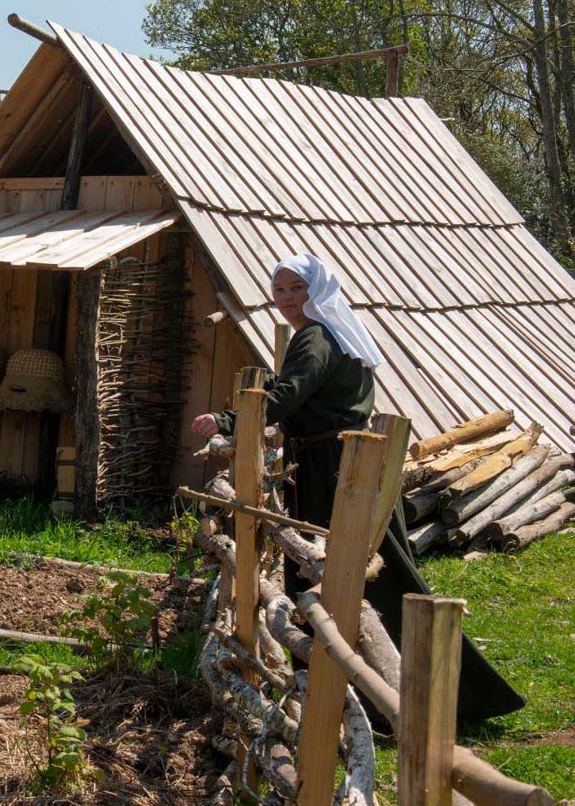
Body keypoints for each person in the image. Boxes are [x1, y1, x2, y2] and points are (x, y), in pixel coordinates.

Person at [191, 253, 522, 725]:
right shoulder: (335, 333)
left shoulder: (315, 338)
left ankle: (411, 697)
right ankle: (395, 692)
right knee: (372, 572)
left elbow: (285, 398)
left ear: (316, 290)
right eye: (280, 290)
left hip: (331, 470)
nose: (285, 300)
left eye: (295, 289)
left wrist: (225, 419)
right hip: (347, 464)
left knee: (343, 573)